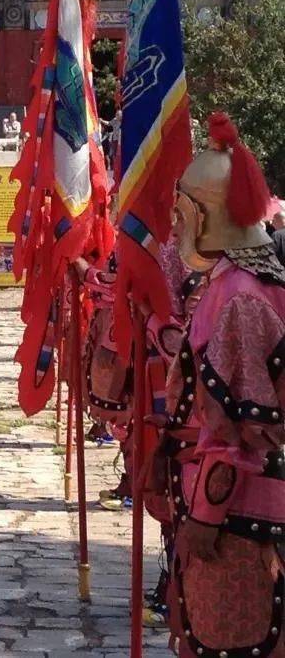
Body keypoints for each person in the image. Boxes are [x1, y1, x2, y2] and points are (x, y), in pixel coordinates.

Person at [153, 113, 285, 657]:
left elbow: (240, 429)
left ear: (202, 215)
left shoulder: (240, 298)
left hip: (239, 518)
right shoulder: (239, 284)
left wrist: (205, 516)